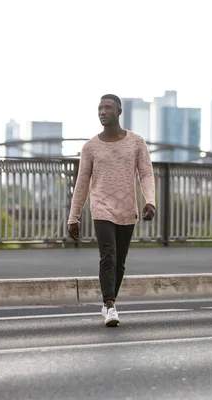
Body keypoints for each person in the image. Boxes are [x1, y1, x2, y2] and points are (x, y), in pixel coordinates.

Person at [67, 94, 156, 327]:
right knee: (108, 255)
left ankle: (110, 300)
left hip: (127, 209)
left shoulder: (136, 142)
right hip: (101, 208)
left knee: (120, 261)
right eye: (99, 108)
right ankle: (109, 305)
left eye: (107, 108)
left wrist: (151, 201)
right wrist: (73, 217)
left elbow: (146, 173)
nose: (102, 112)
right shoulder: (90, 147)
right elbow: (82, 183)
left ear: (119, 111)